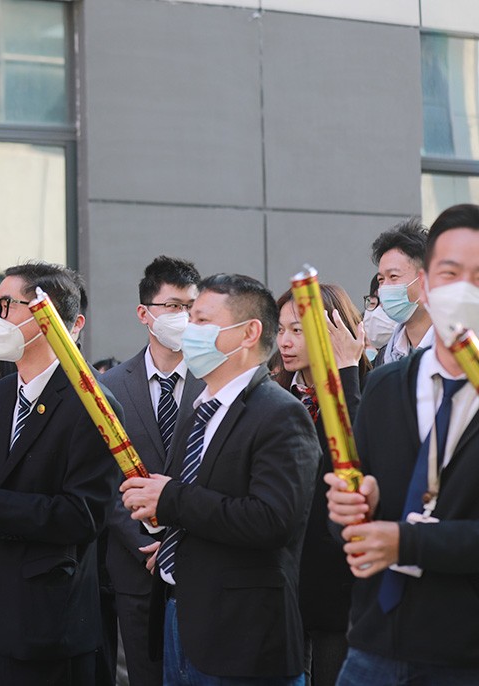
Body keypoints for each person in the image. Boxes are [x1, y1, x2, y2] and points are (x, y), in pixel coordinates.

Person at [120, 273, 320, 685]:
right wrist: (175, 542)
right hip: (180, 618)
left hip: (242, 637)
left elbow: (272, 519)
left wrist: (170, 500)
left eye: (202, 321)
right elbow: (208, 504)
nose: (188, 331)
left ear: (249, 333)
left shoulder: (280, 413)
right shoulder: (199, 409)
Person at [0, 261, 121, 684]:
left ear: (46, 317)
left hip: (48, 623)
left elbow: (85, 515)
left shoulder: (92, 402)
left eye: (7, 305)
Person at [325, 203, 479, 685]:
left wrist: (406, 542)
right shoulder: (385, 385)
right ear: (425, 286)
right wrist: (351, 510)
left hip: (464, 654)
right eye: (449, 273)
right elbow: (350, 523)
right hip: (373, 645)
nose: (463, 289)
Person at [101, 255, 203, 686]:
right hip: (135, 563)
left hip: (200, 560)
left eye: (192, 308)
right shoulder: (109, 386)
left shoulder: (214, 378)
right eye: (174, 306)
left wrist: (179, 542)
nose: (184, 317)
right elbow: (104, 481)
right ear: (145, 314)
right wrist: (144, 542)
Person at [274, 284, 368, 685]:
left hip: (338, 589)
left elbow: (356, 462)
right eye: (281, 330)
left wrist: (345, 373)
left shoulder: (364, 390)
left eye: (298, 330)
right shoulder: (275, 395)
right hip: (283, 585)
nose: (285, 342)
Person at [373, 219, 433, 366]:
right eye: (381, 280)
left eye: (393, 276)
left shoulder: (461, 351)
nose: (384, 288)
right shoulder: (384, 358)